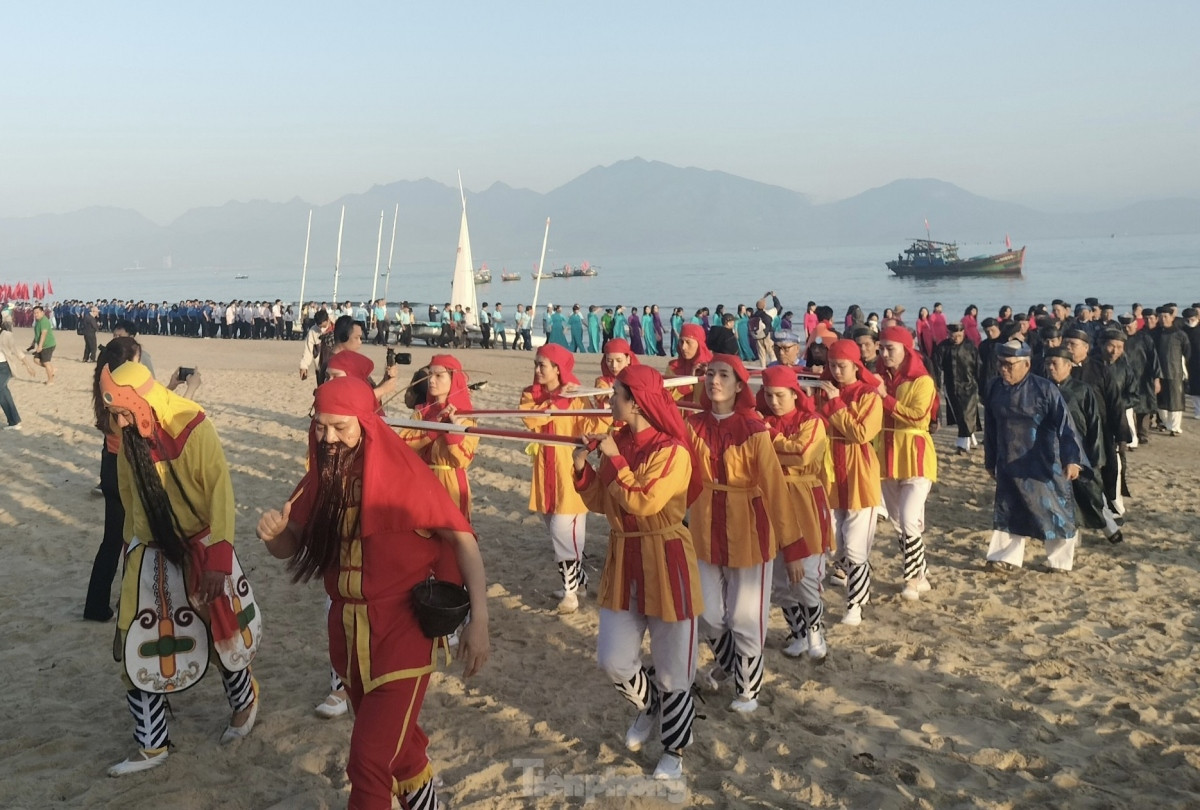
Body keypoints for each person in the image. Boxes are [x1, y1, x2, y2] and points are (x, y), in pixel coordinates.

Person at [257, 376, 489, 810]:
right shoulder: (321, 478)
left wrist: (480, 622)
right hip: (348, 638)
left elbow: (463, 539)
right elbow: (292, 543)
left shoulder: (405, 474)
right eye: (321, 427)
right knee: (399, 748)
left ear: (365, 424)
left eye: (340, 428)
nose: (328, 438)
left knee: (367, 762)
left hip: (402, 635)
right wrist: (274, 537)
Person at [99, 359, 261, 776]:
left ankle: (245, 701)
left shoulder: (194, 426)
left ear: (140, 403)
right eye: (115, 414)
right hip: (149, 549)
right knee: (135, 641)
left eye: (122, 413)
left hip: (200, 548)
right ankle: (151, 743)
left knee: (222, 634)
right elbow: (128, 494)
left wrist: (219, 559)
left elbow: (221, 492)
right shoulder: (127, 432)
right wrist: (130, 549)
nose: (118, 422)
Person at [572, 364, 702, 782]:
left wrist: (613, 457)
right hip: (623, 555)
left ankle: (674, 750)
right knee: (613, 659)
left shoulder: (672, 451)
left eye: (615, 395)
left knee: (674, 668)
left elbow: (644, 501)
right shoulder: (620, 441)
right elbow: (603, 502)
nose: (609, 401)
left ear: (636, 402)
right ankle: (650, 705)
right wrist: (583, 469)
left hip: (666, 557)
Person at [684, 354, 801, 712]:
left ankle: (747, 689)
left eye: (724, 375)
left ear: (739, 385)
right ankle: (732, 665)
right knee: (708, 613)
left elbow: (775, 489)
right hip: (704, 527)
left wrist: (793, 548)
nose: (714, 381)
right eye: (710, 374)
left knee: (744, 616)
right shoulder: (693, 425)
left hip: (749, 529)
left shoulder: (753, 429)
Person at [983, 340, 1084, 573]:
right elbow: (990, 427)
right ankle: (1004, 558)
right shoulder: (994, 388)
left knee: (1054, 511)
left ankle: (1059, 562)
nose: (1003, 369)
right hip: (1009, 460)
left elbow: (1066, 426)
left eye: (1009, 365)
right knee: (1009, 510)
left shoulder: (1045, 389)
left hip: (1044, 461)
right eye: (1000, 363)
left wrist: (1072, 459)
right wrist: (990, 459)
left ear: (1026, 364)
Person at [757, 365, 831, 661]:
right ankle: (798, 631)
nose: (774, 402)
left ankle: (815, 629)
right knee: (779, 579)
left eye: (780, 395)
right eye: (769, 395)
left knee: (806, 574)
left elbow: (801, 453)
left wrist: (770, 437)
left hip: (804, 500)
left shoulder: (812, 421)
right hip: (770, 499)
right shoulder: (761, 421)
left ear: (794, 394)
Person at [520, 345, 598, 613]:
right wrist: (557, 402)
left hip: (568, 472)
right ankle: (580, 583)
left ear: (558, 369)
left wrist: (597, 401)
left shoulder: (578, 397)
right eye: (535, 364)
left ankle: (570, 593)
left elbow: (594, 427)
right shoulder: (531, 394)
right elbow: (531, 420)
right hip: (544, 472)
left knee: (563, 533)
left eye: (542, 365)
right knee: (555, 532)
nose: (536, 369)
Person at [812, 340, 883, 626]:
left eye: (842, 366)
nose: (836, 371)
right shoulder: (823, 389)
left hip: (858, 471)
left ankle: (855, 604)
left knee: (855, 545)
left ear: (855, 366)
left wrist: (835, 404)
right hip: (829, 470)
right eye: (832, 366)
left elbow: (861, 433)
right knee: (831, 542)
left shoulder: (869, 395)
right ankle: (852, 577)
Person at [875, 326, 938, 601]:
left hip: (916, 454)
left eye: (891, 348)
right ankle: (921, 574)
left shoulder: (922, 381)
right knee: (899, 522)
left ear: (906, 349)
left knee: (910, 519)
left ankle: (911, 580)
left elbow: (917, 416)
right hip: (886, 454)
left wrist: (884, 398)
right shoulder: (880, 378)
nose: (884, 353)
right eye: (881, 348)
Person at [1044, 347, 1124, 544]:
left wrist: (1096, 456)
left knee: (1091, 495)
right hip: (1053, 452)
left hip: (1082, 452)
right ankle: (1072, 539)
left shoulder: (1082, 390)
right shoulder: (1043, 389)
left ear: (1068, 366)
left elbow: (1095, 423)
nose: (1050, 368)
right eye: (1047, 363)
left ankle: (1110, 529)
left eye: (1054, 363)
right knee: (1063, 498)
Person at [395, 355, 479, 519]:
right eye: (430, 375)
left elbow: (463, 460)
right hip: (421, 481)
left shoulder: (465, 416)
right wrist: (435, 424)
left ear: (453, 380)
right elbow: (403, 444)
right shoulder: (421, 412)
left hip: (450, 483)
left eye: (439, 375)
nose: (431, 381)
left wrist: (453, 433)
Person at [934, 323, 981, 454]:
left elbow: (978, 366)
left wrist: (981, 385)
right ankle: (970, 439)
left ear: (963, 333)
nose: (956, 338)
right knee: (959, 414)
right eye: (953, 336)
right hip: (951, 387)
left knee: (967, 413)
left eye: (959, 336)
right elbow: (936, 368)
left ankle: (962, 445)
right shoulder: (942, 347)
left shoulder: (970, 346)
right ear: (948, 334)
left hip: (969, 385)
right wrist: (937, 385)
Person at [1152, 306, 1190, 435]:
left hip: (1175, 371)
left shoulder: (1180, 334)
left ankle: (1174, 427)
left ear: (1172, 317)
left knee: (1175, 400)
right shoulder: (1155, 333)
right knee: (1161, 400)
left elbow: (1187, 352)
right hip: (1158, 372)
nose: (1163, 319)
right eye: (1160, 316)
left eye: (1165, 316)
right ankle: (1166, 423)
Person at [0, 321, 33, 429]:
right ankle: (14, 421)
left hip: (4, 368)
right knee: (4, 394)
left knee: (1, 390)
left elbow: (17, 351)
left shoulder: (6, 335)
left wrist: (28, 366)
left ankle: (14, 421)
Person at [667, 323, 712, 402]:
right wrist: (689, 381)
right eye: (681, 342)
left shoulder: (713, 367)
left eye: (688, 342)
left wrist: (709, 377)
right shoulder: (673, 368)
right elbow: (665, 398)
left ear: (699, 344)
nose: (683, 347)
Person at [299, 309, 332, 383]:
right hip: (320, 368)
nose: (322, 329)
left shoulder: (337, 328)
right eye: (320, 327)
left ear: (328, 320)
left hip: (335, 367)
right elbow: (308, 350)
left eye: (324, 326)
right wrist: (304, 366)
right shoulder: (313, 331)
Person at [29, 304, 56, 384]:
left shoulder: (44, 321)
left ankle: (50, 381)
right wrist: (33, 343)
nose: (36, 314)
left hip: (47, 345)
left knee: (46, 362)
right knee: (36, 360)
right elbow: (38, 334)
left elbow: (43, 334)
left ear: (42, 312)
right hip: (42, 345)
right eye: (34, 313)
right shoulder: (38, 321)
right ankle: (52, 369)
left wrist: (40, 346)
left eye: (37, 313)